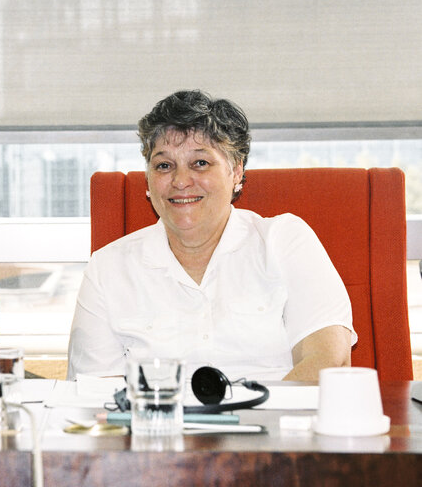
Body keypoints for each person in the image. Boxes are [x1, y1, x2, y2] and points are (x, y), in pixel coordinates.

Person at [67, 90, 355, 382]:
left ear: (236, 173)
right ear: (148, 182)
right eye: (164, 166)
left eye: (200, 163)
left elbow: (328, 362)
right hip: (155, 424)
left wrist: (248, 419)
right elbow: (93, 395)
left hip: (276, 422)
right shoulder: (107, 268)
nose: (180, 181)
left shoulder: (284, 240)